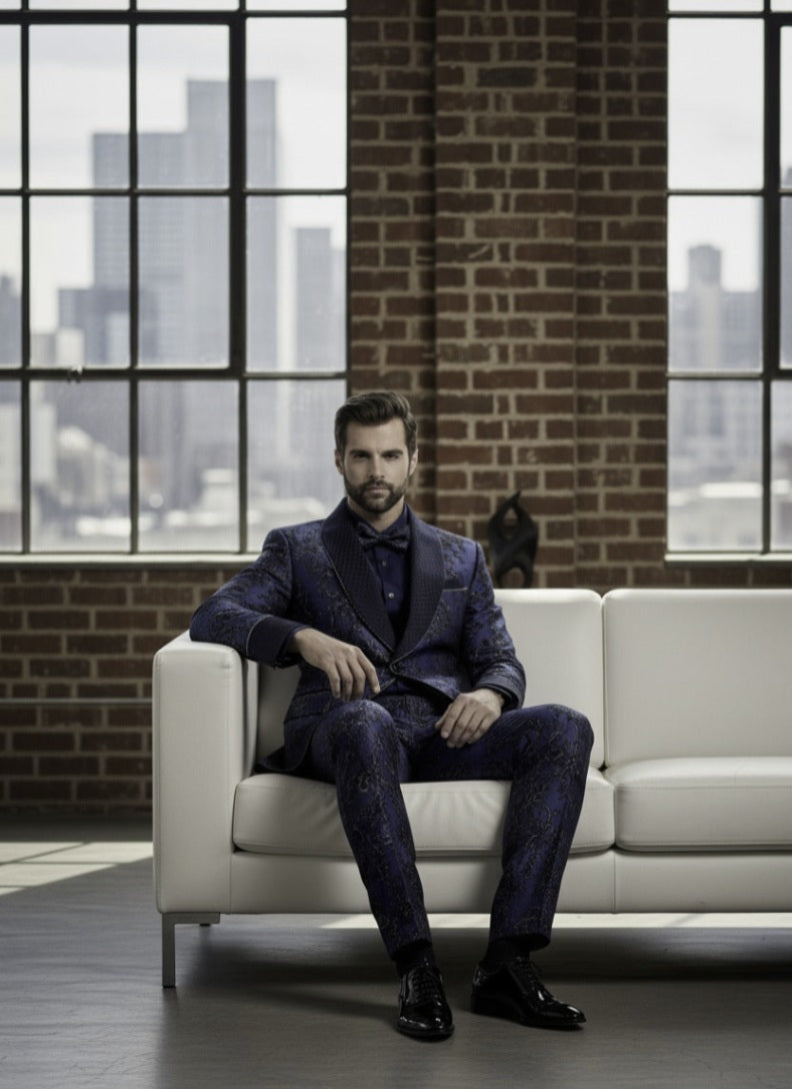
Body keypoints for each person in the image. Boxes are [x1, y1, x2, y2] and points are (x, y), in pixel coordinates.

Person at [190, 390, 593, 1041]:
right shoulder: (297, 550)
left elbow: (501, 658)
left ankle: (507, 963)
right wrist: (301, 639)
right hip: (345, 729)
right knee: (363, 720)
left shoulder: (463, 556)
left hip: (440, 734)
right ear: (338, 460)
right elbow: (213, 615)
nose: (376, 470)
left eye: (389, 455)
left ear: (412, 459)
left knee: (565, 728)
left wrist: (489, 694)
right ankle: (417, 965)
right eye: (361, 456)